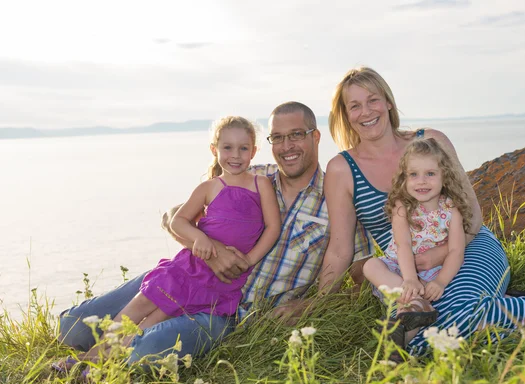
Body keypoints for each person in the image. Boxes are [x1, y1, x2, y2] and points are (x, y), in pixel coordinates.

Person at [55, 102, 373, 370]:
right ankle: (96, 347)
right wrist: (213, 249)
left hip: (227, 311)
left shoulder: (338, 199)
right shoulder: (247, 174)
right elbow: (173, 216)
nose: (286, 146)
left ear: (315, 137)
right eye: (278, 137)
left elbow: (359, 280)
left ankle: (96, 364)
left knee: (147, 351)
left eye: (296, 136)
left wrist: (308, 306)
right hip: (186, 276)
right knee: (71, 329)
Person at [318, 66, 525, 354]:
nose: (366, 111)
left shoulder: (431, 142)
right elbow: (340, 250)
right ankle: (521, 307)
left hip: (468, 246)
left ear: (388, 102)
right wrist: (320, 306)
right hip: (405, 273)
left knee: (430, 330)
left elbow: (473, 217)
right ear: (345, 114)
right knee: (423, 329)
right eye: (355, 105)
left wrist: (437, 255)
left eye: (373, 100)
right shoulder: (342, 169)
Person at [53, 116, 281, 372]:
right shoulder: (209, 187)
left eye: (243, 148)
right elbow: (178, 221)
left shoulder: (261, 184)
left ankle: (102, 366)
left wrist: (249, 260)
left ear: (254, 151)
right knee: (138, 307)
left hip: (220, 282)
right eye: (227, 147)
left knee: (149, 325)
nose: (235, 155)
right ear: (214, 150)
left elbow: (273, 227)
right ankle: (94, 354)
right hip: (187, 269)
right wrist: (200, 238)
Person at [364, 138, 472, 324]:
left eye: (430, 173)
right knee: (370, 266)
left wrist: (441, 282)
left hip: (434, 272)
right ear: (404, 178)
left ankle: (414, 309)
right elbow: (403, 245)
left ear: (444, 176)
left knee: (453, 286)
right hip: (399, 269)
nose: (421, 181)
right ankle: (415, 300)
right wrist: (410, 279)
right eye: (413, 174)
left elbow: (456, 251)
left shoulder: (452, 210)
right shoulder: (402, 208)